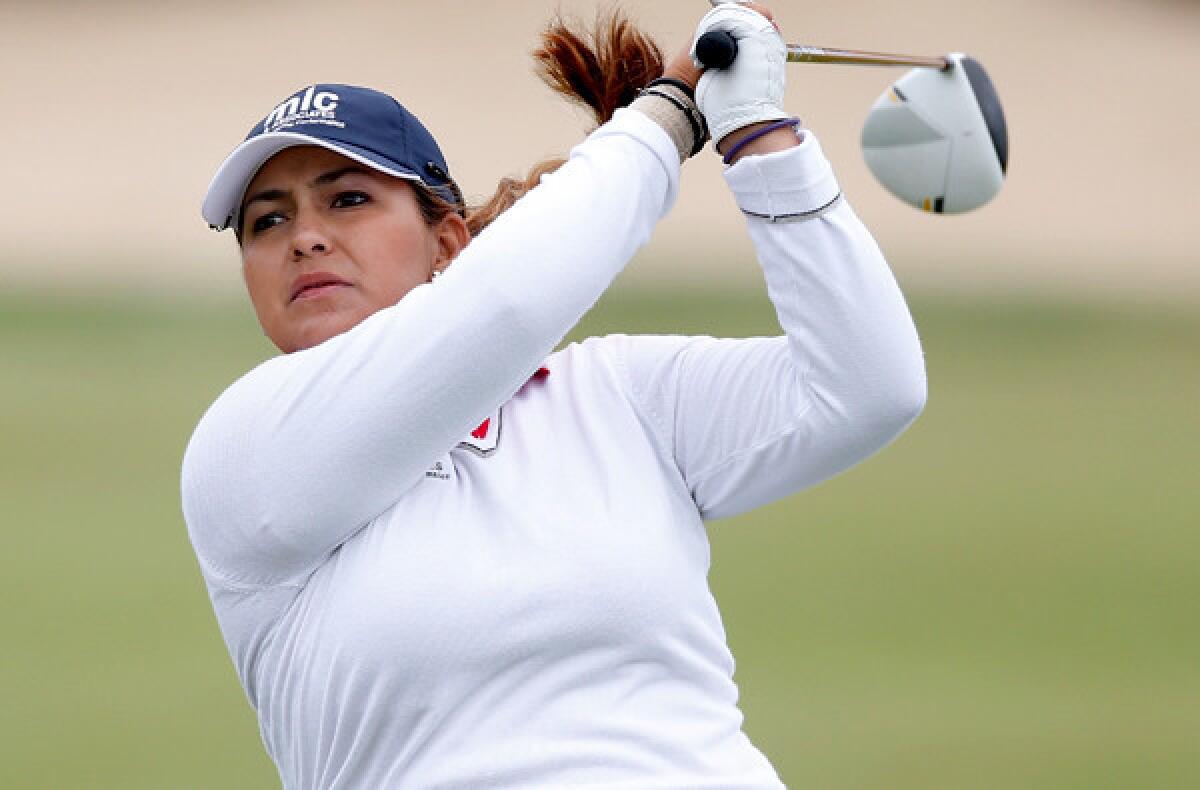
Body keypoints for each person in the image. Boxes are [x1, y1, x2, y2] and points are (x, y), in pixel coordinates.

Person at [182, 3, 926, 787]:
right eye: (268, 220)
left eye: (348, 199)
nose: (303, 236)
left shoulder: (615, 395)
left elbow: (868, 385)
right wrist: (668, 116)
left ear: (448, 244)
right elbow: (503, 307)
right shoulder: (246, 450)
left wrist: (758, 138)